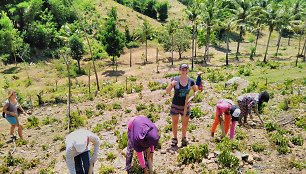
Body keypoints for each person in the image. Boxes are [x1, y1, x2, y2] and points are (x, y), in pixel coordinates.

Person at [165, 63, 198, 147]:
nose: (184, 71)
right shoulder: (175, 79)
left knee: (184, 124)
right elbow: (167, 91)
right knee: (175, 123)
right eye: (182, 69)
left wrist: (191, 98)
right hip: (175, 105)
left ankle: (184, 138)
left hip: (185, 106)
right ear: (179, 70)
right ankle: (175, 139)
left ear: (188, 70)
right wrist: (172, 84)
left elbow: (195, 91)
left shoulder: (191, 81)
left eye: (185, 69)